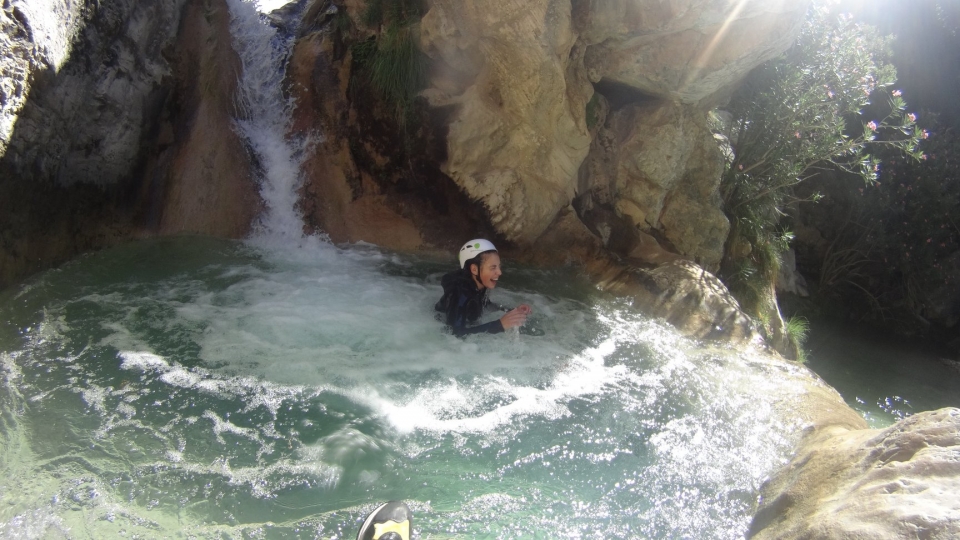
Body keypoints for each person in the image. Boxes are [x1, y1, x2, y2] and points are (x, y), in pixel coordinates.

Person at [434, 239, 532, 336]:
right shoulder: (459, 291)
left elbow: (485, 304)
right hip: (437, 322)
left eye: (498, 266)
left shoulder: (478, 284)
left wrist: (513, 311)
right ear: (474, 269)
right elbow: (455, 333)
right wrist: (500, 324)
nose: (499, 272)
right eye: (493, 268)